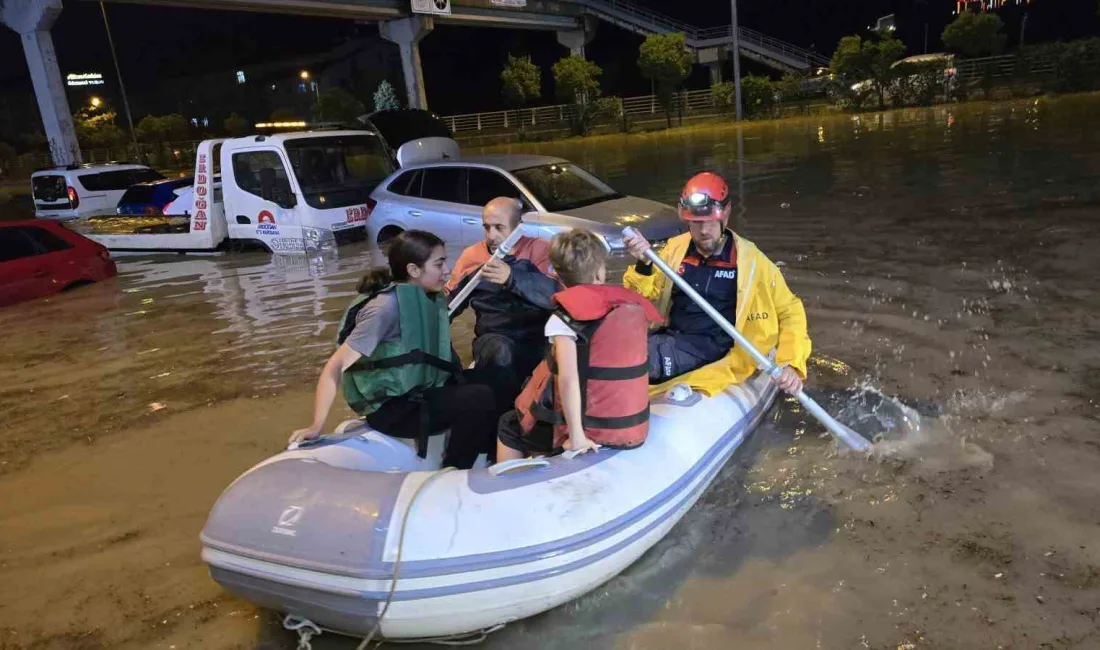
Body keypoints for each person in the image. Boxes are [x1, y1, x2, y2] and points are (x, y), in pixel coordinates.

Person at [289, 230, 498, 469]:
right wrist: (316, 425)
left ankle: (489, 457)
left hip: (420, 391)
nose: (447, 270)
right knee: (479, 397)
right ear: (413, 270)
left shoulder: (425, 297)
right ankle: (456, 469)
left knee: (498, 377)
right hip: (393, 409)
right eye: (439, 264)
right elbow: (334, 367)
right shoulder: (385, 308)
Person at [622, 171, 811, 396]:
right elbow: (641, 301)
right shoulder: (675, 250)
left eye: (710, 222)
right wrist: (643, 263)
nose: (703, 231)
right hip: (672, 336)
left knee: (636, 357)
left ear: (726, 215)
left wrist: (791, 362)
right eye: (696, 223)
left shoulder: (751, 261)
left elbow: (789, 311)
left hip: (712, 347)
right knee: (608, 345)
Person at [497, 229, 663, 461]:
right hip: (626, 423)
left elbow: (567, 378)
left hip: (583, 425)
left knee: (508, 424)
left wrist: (576, 436)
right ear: (598, 273)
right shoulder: (625, 306)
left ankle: (510, 485)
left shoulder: (564, 318)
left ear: (557, 275)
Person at [446, 197, 559, 381]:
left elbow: (556, 296)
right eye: (486, 227)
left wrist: (512, 277)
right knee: (501, 351)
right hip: (494, 338)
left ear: (517, 226)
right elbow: (449, 304)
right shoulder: (471, 256)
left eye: (499, 227)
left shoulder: (540, 250)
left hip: (537, 336)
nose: (491, 236)